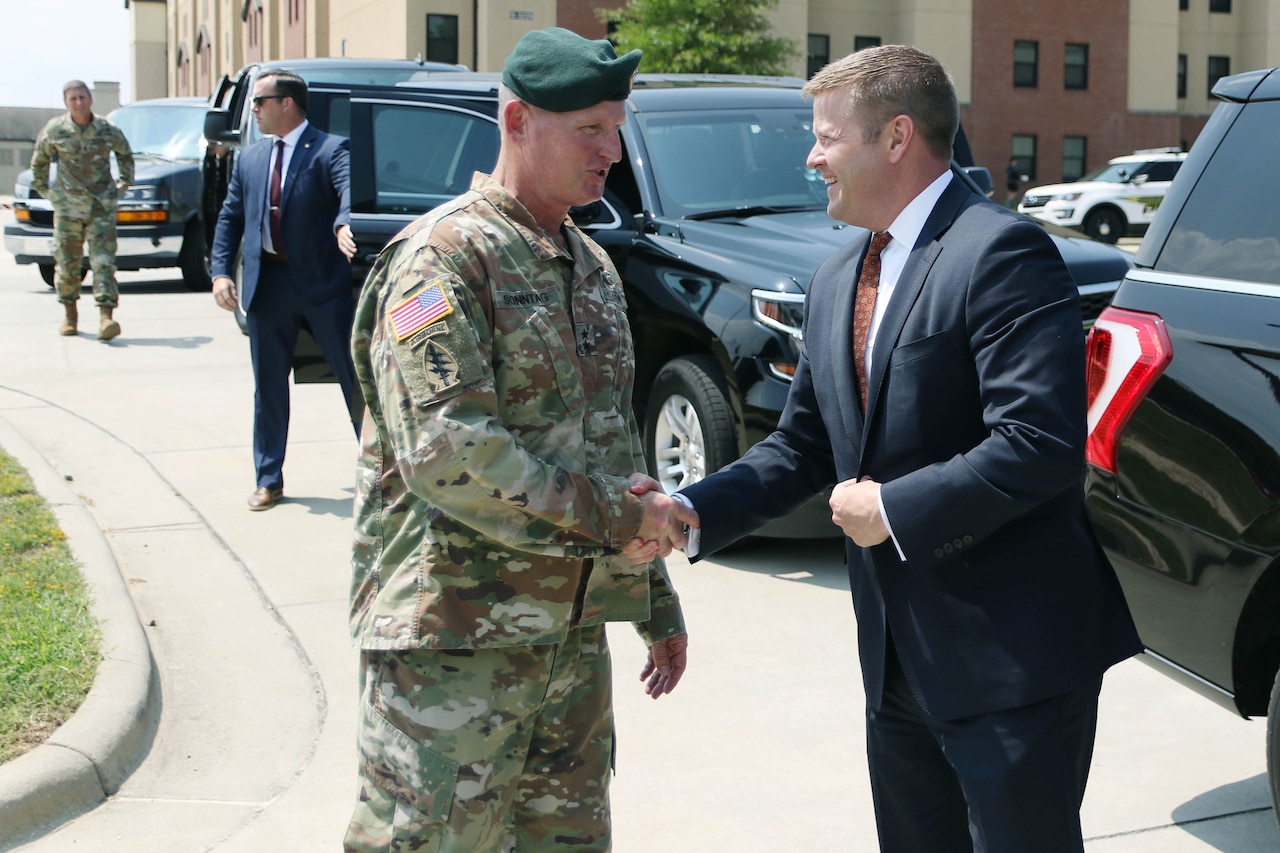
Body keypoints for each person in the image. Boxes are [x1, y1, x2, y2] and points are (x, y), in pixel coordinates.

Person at [662, 45, 1141, 852]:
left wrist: (891, 507)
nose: (812, 156)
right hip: (895, 659)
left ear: (896, 138)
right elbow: (805, 446)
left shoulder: (1001, 253)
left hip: (1010, 662)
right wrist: (688, 508)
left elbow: (1039, 443)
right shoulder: (835, 276)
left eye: (825, 137)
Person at [343, 27, 689, 853]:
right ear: (518, 121)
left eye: (616, 127)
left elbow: (613, 451)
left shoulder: (591, 267)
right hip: (452, 644)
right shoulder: (441, 261)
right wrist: (615, 519)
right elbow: (450, 454)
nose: (612, 151)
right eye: (589, 129)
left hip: (569, 641)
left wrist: (653, 598)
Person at [209, 68, 362, 511]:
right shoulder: (252, 158)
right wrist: (221, 272)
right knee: (269, 386)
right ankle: (268, 478)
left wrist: (343, 223)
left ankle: (378, 473)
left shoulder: (331, 149)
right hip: (267, 285)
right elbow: (230, 217)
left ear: (286, 104)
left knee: (354, 380)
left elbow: (346, 194)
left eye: (259, 101)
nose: (253, 109)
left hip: (321, 284)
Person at [31, 80, 134, 340]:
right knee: (67, 264)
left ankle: (106, 318)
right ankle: (69, 315)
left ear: (90, 99)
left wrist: (122, 185)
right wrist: (47, 192)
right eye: (73, 99)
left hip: (100, 207)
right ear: (66, 102)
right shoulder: (55, 129)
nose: (78, 103)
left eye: (82, 97)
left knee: (104, 263)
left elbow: (125, 154)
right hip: (68, 210)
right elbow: (39, 161)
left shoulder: (107, 129)